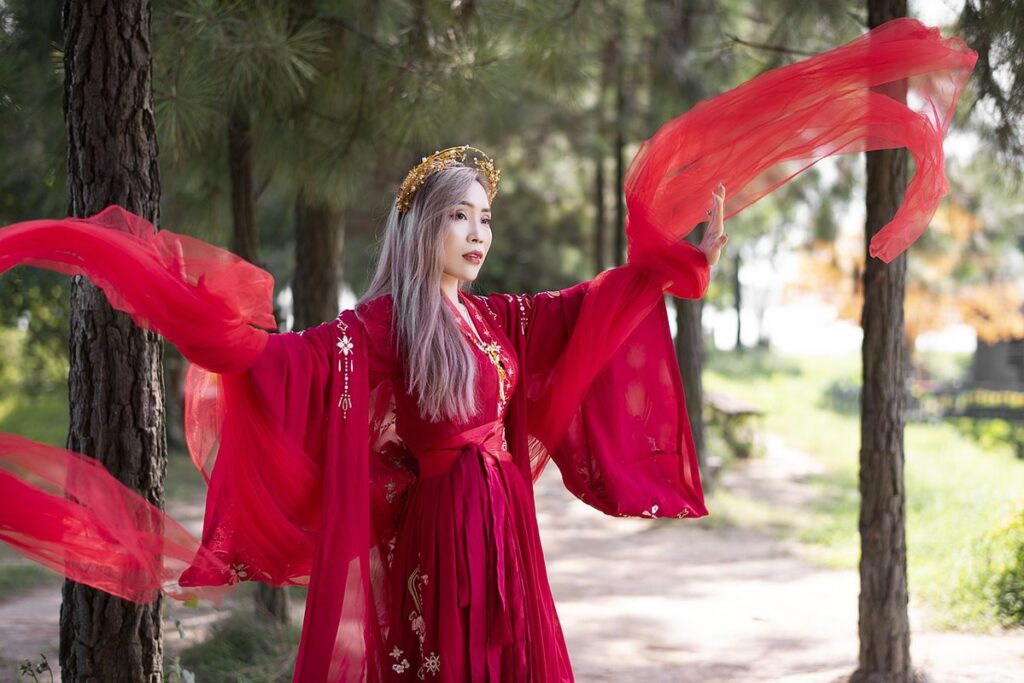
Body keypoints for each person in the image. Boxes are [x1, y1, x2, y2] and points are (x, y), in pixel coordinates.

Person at [0, 16, 975, 683]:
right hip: (431, 535)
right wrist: (175, 299)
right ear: (418, 228)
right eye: (459, 216)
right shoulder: (373, 331)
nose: (478, 233)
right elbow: (273, 363)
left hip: (505, 527)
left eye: (485, 219)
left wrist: (668, 265)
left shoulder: (496, 322)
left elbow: (584, 310)